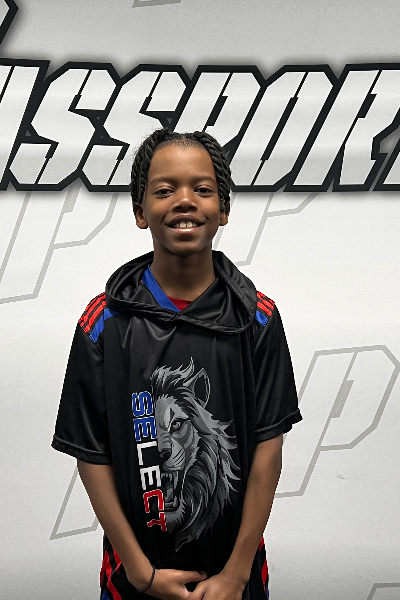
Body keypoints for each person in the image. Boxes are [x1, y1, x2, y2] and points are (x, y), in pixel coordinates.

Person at [52, 128, 302, 600]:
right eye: (165, 190)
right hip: (134, 577)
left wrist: (236, 575)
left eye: (202, 189)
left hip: (235, 577)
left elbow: (268, 450)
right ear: (140, 211)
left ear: (223, 209)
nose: (184, 201)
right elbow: (91, 453)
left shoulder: (257, 318)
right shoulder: (102, 323)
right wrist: (140, 573)